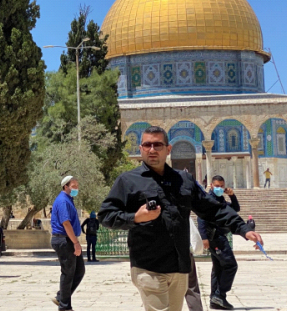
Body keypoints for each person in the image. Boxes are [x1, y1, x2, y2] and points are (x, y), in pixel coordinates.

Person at [98, 126, 262, 311]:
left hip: (179, 267)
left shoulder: (183, 180)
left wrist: (243, 229)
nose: (152, 149)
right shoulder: (128, 181)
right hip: (148, 267)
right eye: (147, 145)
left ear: (168, 149)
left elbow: (212, 209)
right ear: (140, 148)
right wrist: (135, 217)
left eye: (158, 145)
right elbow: (105, 215)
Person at [198, 176, 240, 310]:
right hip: (215, 238)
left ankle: (214, 300)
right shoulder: (208, 200)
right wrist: (204, 237)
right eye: (217, 186)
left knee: (218, 268)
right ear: (211, 185)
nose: (219, 188)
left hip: (219, 236)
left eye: (222, 186)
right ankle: (219, 295)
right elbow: (201, 219)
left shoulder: (220, 200)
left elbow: (235, 209)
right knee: (230, 265)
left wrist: (232, 196)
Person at [49, 176, 84, 311]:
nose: (76, 188)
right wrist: (76, 243)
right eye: (73, 186)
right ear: (66, 187)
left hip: (68, 239)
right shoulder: (63, 201)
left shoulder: (69, 200)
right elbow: (66, 223)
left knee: (79, 271)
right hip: (64, 240)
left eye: (77, 186)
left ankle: (60, 298)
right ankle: (65, 306)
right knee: (68, 272)